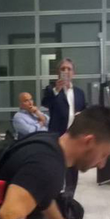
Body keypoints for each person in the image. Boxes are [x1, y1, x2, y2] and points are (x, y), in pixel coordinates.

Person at [42, 58, 87, 195]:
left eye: (69, 69)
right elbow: (46, 103)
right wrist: (57, 90)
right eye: (63, 69)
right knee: (57, 166)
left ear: (73, 73)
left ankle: (70, 196)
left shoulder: (79, 92)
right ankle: (55, 194)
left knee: (73, 168)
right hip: (58, 134)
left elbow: (85, 109)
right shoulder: (51, 90)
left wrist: (82, 115)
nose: (66, 71)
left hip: (75, 134)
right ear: (58, 72)